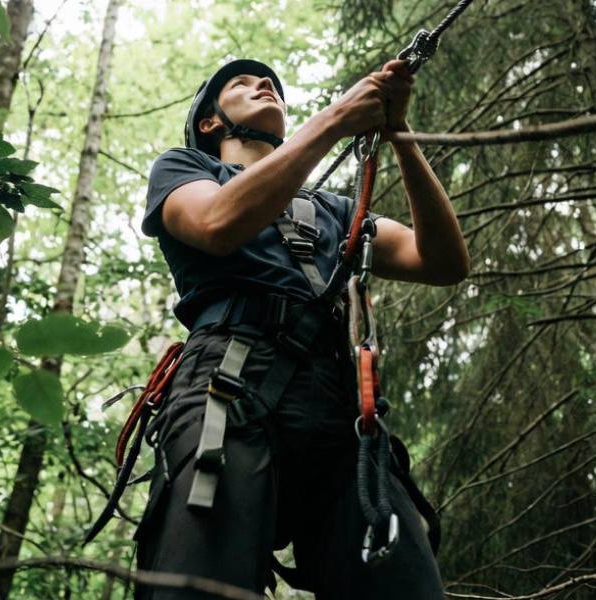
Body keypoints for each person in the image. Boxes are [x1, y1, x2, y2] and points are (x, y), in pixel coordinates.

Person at [135, 58, 470, 599]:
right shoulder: (185, 172)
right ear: (210, 124)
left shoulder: (334, 211)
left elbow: (442, 262)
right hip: (227, 384)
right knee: (200, 584)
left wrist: (399, 134)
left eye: (270, 84)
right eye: (241, 85)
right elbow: (217, 224)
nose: (264, 85)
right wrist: (338, 118)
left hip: (339, 407)